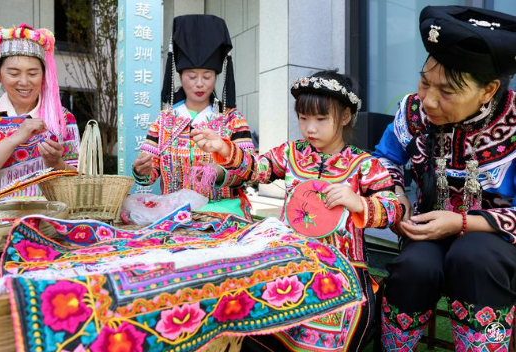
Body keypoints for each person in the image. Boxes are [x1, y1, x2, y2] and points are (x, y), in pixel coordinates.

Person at [192, 70, 403, 351]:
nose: (310, 128)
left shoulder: (364, 165)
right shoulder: (291, 153)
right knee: (253, 308)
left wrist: (358, 203)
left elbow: (393, 209)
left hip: (342, 267)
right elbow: (257, 168)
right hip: (288, 258)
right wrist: (223, 147)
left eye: (320, 119)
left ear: (345, 116)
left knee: (335, 315)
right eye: (303, 118)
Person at [373, 6, 516, 351]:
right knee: (413, 266)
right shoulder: (412, 110)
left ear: (488, 90)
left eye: (448, 91)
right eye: (424, 82)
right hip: (427, 231)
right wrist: (395, 194)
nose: (430, 101)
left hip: (494, 242)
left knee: (474, 257)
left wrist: (461, 221)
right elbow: (385, 158)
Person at [132, 15, 255, 219]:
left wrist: (219, 173)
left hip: (222, 212)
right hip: (175, 214)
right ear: (180, 76)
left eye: (207, 76)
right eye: (191, 76)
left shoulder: (233, 120)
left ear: (216, 77)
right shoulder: (163, 121)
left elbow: (249, 171)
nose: (199, 84)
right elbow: (150, 173)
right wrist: (142, 171)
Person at [0, 23, 79, 201]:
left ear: (43, 75)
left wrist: (56, 163)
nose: (24, 82)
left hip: (47, 219)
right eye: (14, 73)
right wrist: (17, 137)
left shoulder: (61, 118)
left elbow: (79, 182)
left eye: (33, 73)